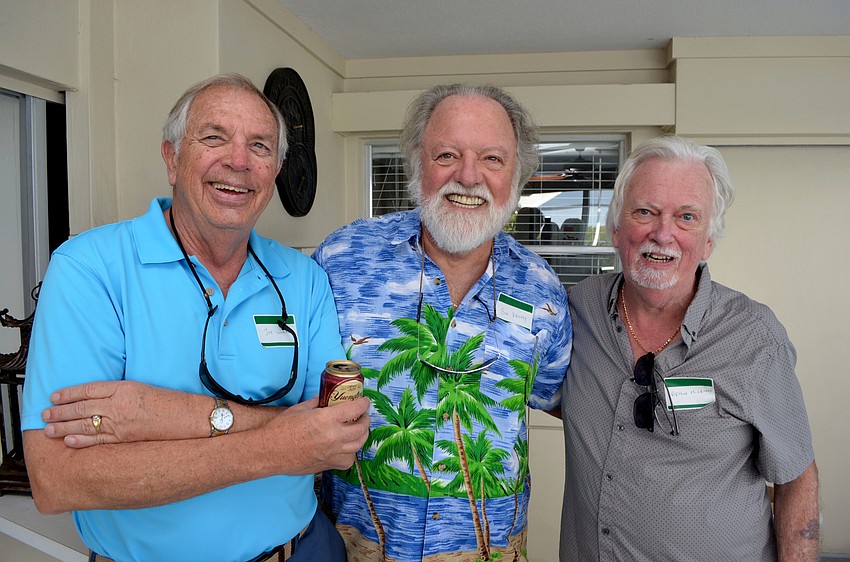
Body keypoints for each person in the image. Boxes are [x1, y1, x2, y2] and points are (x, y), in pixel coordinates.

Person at [21, 73, 370, 562]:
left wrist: (161, 415)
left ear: (277, 170)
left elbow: (335, 437)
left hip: (300, 551)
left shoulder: (302, 278)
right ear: (171, 157)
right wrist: (276, 443)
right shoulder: (90, 268)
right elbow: (56, 479)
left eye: (260, 146)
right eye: (213, 137)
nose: (239, 161)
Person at [312, 84, 573, 562]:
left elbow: (555, 398)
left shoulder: (543, 290)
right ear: (418, 164)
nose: (468, 176)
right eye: (447, 154)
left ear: (517, 174)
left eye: (492, 159)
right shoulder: (341, 259)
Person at [559, 135, 819, 561]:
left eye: (686, 217)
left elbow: (797, 476)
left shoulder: (754, 337)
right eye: (645, 211)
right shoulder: (577, 311)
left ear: (709, 242)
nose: (663, 234)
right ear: (616, 226)